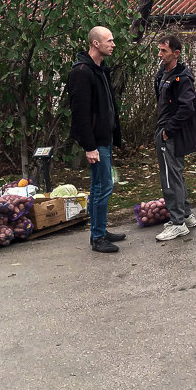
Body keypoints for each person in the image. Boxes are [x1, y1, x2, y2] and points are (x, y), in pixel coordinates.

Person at [68, 25, 128, 254]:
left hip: (104, 138)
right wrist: (89, 146)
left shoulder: (100, 69)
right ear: (96, 43)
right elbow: (80, 112)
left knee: (99, 186)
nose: (113, 44)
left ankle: (100, 230)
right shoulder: (82, 72)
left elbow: (108, 106)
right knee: (104, 187)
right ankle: (98, 236)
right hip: (96, 143)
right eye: (109, 41)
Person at [153, 33, 196, 242]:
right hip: (164, 130)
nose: (160, 55)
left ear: (176, 53)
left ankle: (177, 224)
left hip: (170, 134)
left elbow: (187, 107)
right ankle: (185, 215)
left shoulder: (182, 77)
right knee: (175, 174)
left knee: (170, 177)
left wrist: (168, 130)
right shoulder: (163, 74)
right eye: (159, 50)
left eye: (164, 51)